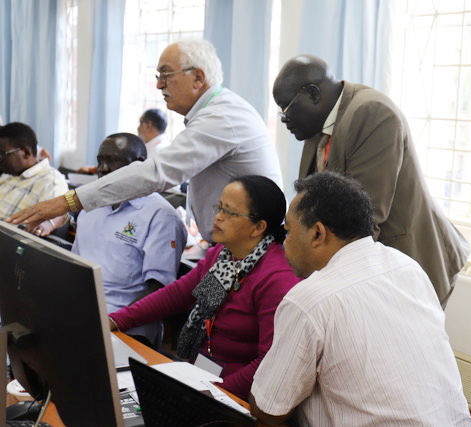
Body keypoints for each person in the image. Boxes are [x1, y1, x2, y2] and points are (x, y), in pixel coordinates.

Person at [249, 171, 471, 426]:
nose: (285, 242)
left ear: (317, 234)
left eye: (288, 231)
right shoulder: (407, 267)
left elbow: (269, 409)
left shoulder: (309, 300)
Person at [9, 39, 282, 246]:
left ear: (198, 77)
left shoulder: (222, 116)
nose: (159, 86)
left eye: (166, 76)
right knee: (201, 318)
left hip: (250, 250)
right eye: (157, 77)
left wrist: (68, 201)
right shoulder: (215, 112)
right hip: (228, 249)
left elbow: (156, 172)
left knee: (214, 320)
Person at [272, 54, 470, 307]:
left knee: (396, 345)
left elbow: (364, 220)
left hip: (410, 260)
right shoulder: (316, 122)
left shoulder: (372, 113)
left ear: (313, 94)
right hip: (368, 266)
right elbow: (313, 206)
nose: (284, 119)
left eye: (286, 109)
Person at [108, 176, 300, 400]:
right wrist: (117, 320)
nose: (218, 216)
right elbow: (177, 295)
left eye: (229, 212)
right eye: (219, 207)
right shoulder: (224, 256)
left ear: (258, 227)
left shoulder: (275, 278)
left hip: (236, 393)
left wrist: (213, 394)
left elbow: (269, 362)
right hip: (199, 373)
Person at [72, 133, 187, 346]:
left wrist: (111, 322)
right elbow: (75, 269)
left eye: (112, 160)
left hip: (126, 325)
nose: (102, 168)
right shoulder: (91, 207)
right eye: (100, 161)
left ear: (140, 166)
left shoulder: (160, 216)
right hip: (82, 314)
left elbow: (159, 290)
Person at [0, 122, 68, 233]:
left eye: (1, 154)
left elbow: (60, 212)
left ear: (26, 153)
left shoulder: (51, 181)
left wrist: (49, 223)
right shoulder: (9, 174)